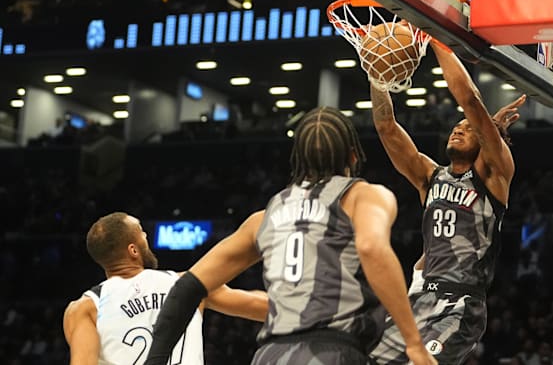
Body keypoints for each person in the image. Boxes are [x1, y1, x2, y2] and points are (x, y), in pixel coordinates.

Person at [144, 107, 437, 365]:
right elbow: (371, 247)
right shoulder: (364, 196)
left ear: (297, 156)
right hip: (333, 351)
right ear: (352, 154)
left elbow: (187, 287)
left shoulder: (264, 216)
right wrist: (413, 342)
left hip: (270, 355)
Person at [369, 40, 526, 364]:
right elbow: (386, 127)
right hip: (418, 297)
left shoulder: (493, 176)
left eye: (468, 128)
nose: (458, 128)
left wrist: (436, 37)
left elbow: (469, 100)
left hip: (460, 302)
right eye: (457, 126)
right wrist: (377, 76)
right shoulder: (431, 176)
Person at [63, 212, 268, 365]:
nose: (146, 238)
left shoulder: (84, 308)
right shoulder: (187, 283)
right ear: (133, 250)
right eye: (142, 234)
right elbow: (258, 305)